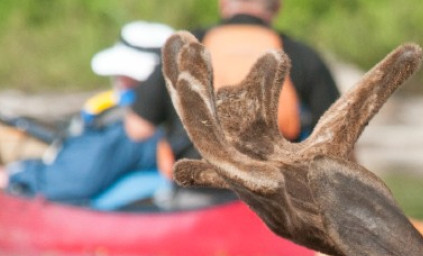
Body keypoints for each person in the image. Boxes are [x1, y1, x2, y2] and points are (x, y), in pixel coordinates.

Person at [126, 0, 341, 176]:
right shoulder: (302, 55)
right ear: (277, 7)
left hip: (196, 190)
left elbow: (138, 128)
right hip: (272, 193)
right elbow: (337, 139)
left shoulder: (187, 48)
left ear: (223, 4)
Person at [0, 21, 176, 209]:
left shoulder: (128, 126)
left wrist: (14, 175)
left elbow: (75, 179)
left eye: (122, 73)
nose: (118, 79)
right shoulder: (181, 115)